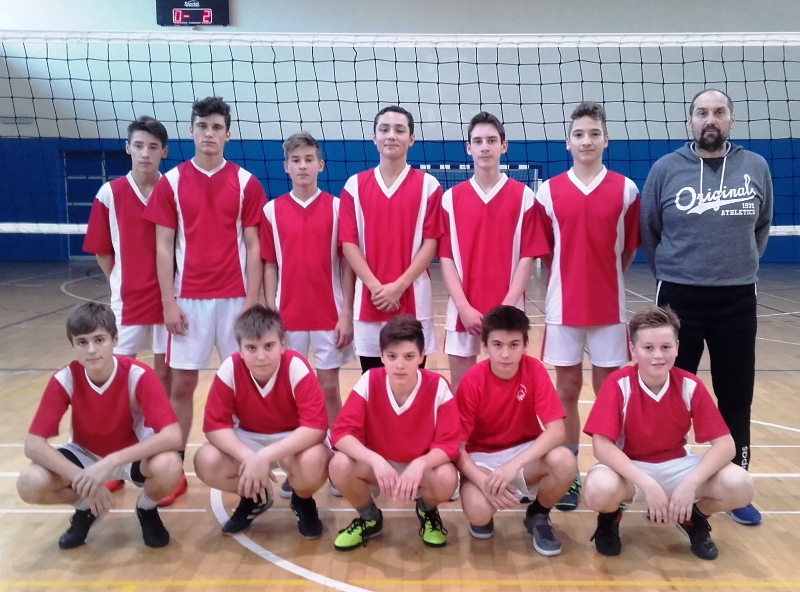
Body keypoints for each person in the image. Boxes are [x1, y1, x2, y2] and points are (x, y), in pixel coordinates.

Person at [639, 88, 773, 526]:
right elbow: (649, 230)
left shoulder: (756, 167)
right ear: (690, 122)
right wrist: (673, 271)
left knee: (736, 392)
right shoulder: (666, 169)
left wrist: (738, 266)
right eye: (701, 113)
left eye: (718, 112)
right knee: (667, 390)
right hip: (680, 297)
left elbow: (762, 226)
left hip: (737, 296)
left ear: (731, 120)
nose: (710, 119)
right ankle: (663, 477)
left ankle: (735, 483)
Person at [143, 96, 266, 506]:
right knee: (182, 385)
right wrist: (168, 302)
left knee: (246, 384)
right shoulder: (171, 182)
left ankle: (247, 464)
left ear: (227, 134)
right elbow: (163, 246)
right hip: (189, 301)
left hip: (235, 301)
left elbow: (254, 245)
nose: (209, 133)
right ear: (191, 131)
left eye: (216, 127)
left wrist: (252, 301)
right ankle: (174, 471)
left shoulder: (246, 182)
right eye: (202, 126)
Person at [533, 101, 640, 511]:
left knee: (609, 393)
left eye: (594, 134)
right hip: (563, 307)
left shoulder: (626, 189)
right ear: (568, 142)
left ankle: (612, 471)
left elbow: (627, 250)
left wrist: (603, 277)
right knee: (567, 390)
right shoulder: (548, 191)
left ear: (605, 140)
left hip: (608, 308)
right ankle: (570, 473)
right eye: (579, 134)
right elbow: (547, 252)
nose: (586, 141)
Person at [582, 305, 754, 560]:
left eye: (665, 347)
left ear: (677, 347)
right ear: (633, 350)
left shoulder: (689, 385)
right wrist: (647, 483)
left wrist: (691, 484)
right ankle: (609, 518)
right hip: (631, 468)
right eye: (648, 348)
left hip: (677, 466)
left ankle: (693, 518)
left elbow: (726, 445)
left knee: (741, 485)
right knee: (598, 490)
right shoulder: (618, 384)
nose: (658, 356)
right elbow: (602, 446)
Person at [16, 302, 182, 550]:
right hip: (85, 454)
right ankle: (86, 508)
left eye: (99, 340)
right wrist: (83, 481)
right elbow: (33, 444)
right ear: (73, 346)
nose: (92, 350)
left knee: (170, 465)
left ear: (115, 340)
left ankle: (146, 508)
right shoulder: (65, 378)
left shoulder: (138, 374)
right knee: (29, 483)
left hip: (131, 456)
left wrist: (111, 461)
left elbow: (173, 435)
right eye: (82, 342)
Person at [83, 116, 172, 494]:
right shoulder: (110, 193)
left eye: (153, 147)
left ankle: (159, 462)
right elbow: (102, 251)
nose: (145, 153)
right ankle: (113, 458)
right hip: (128, 302)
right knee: (117, 379)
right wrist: (121, 282)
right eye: (139, 146)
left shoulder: (173, 188)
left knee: (164, 378)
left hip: (170, 301)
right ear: (128, 148)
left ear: (164, 152)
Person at [193, 306, 330, 538]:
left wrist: (263, 457)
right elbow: (215, 426)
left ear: (282, 344)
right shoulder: (230, 368)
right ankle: (255, 497)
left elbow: (315, 428)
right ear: (240, 349)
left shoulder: (296, 366)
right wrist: (249, 457)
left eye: (268, 346)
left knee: (315, 460)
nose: (261, 356)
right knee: (205, 460)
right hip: (249, 438)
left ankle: (302, 500)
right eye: (251, 348)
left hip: (292, 439)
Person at [329, 315, 460, 550]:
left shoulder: (438, 386)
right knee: (339, 465)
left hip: (421, 466)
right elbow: (341, 433)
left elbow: (449, 444)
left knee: (447, 477)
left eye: (408, 356)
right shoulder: (369, 380)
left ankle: (427, 510)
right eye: (392, 356)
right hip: (380, 465)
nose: (400, 365)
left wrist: (420, 464)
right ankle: (369, 517)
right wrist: (375, 460)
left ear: (422, 356)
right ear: (381, 356)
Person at [456, 305, 576, 557]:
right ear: (485, 346)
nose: (505, 354)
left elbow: (557, 431)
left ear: (525, 345)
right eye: (497, 345)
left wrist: (513, 466)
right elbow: (457, 449)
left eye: (513, 345)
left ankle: (538, 514)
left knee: (564, 460)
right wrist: (483, 482)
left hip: (524, 454)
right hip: (482, 458)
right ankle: (484, 511)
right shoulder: (472, 380)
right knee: (478, 513)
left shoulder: (534, 369)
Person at [338, 106, 443, 372]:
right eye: (384, 129)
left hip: (414, 300)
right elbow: (349, 244)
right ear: (374, 137)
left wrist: (399, 286)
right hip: (369, 302)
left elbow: (431, 243)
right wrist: (376, 288)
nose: (391, 135)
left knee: (412, 381)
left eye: (399, 130)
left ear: (411, 139)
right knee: (373, 381)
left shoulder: (429, 186)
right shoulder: (354, 186)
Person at [261, 131, 355, 426]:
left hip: (329, 314)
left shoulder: (338, 208)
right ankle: (294, 446)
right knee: (289, 388)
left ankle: (336, 445)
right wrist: (271, 314)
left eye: (309, 159)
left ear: (320, 165)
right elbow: (269, 265)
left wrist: (347, 314)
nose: (302, 165)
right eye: (296, 160)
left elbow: (347, 266)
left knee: (329, 387)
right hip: (287, 317)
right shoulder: (271, 211)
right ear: (286, 166)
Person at [439, 111, 537, 390]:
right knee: (462, 389)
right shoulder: (450, 199)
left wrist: (506, 307)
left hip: (508, 311)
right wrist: (463, 307)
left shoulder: (525, 197)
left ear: (503, 146)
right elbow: (446, 257)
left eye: (492, 140)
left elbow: (527, 257)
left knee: (508, 390)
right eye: (478, 141)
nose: (485, 147)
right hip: (463, 313)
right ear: (468, 148)